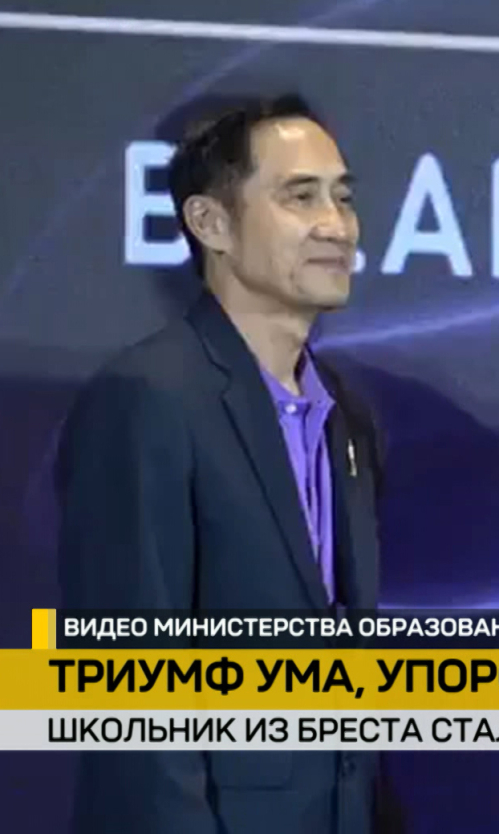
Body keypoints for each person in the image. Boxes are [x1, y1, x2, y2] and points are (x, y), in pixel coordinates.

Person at [56, 94, 401, 834]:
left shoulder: (347, 413)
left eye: (343, 198)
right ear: (210, 223)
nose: (337, 226)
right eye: (300, 197)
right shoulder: (148, 399)